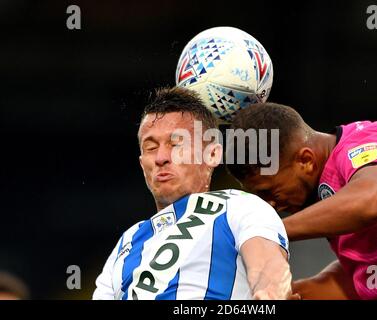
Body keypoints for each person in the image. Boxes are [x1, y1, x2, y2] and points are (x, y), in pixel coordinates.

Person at [226, 102, 377, 300]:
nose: (270, 205)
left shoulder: (368, 141)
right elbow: (368, 276)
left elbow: (374, 202)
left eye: (270, 191)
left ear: (305, 160)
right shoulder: (332, 200)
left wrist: (270, 231)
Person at [92, 87, 292, 300]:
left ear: (212, 154)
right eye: (150, 148)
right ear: (142, 165)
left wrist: (269, 293)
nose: (161, 157)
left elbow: (268, 266)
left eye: (176, 144)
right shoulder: (127, 242)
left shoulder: (239, 207)